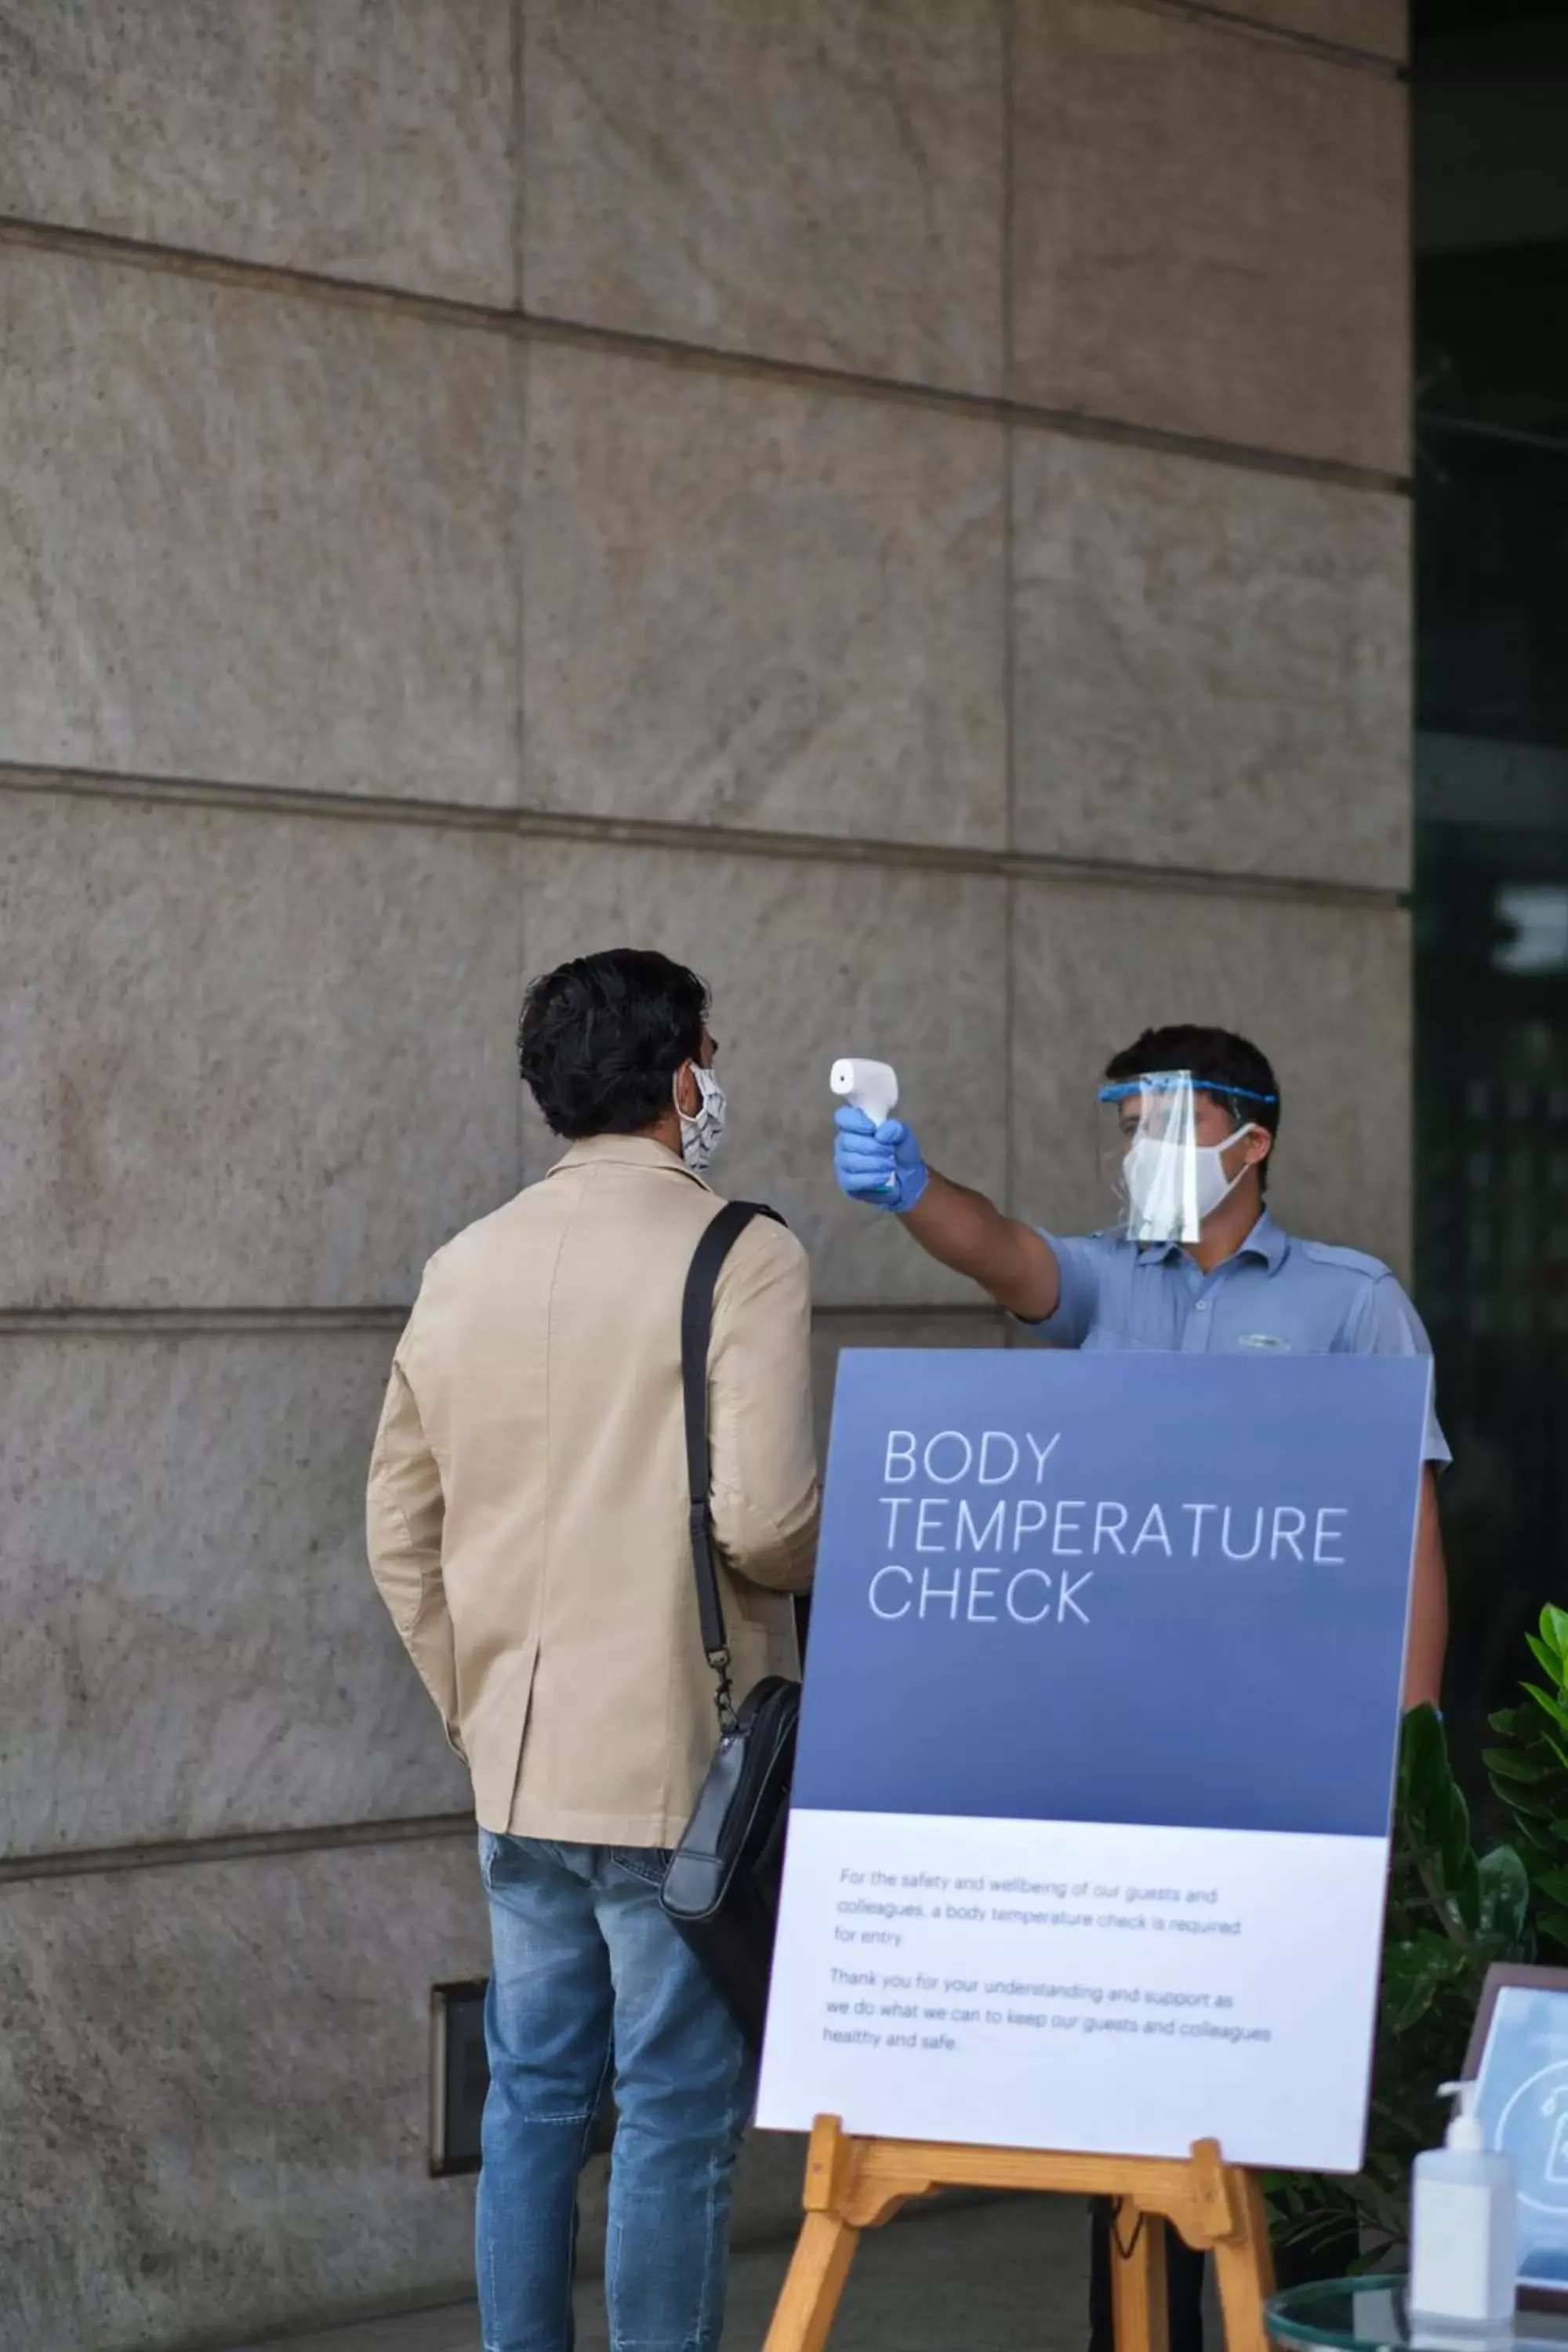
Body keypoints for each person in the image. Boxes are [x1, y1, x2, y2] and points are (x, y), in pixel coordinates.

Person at [833, 1021, 1448, 2352]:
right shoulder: (1113, 1284)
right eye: (1127, 1126)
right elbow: (1001, 1249)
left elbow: (1408, 1544)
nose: (1141, 1150)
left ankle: (1289, 2330)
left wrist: (1413, 1761)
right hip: (1132, 1769)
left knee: (1282, 2117)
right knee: (1134, 2095)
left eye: (1164, 1123)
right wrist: (909, 1189)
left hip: (1295, 1760)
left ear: (1253, 1138)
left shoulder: (1353, 1304)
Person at [368, 948, 820, 2352]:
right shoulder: (742, 1251)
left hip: (516, 1771)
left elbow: (397, 1529)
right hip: (678, 1773)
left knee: (533, 2108)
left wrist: (473, 1705)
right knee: (675, 2118)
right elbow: (762, 1524)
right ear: (684, 1076)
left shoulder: (464, 1263)